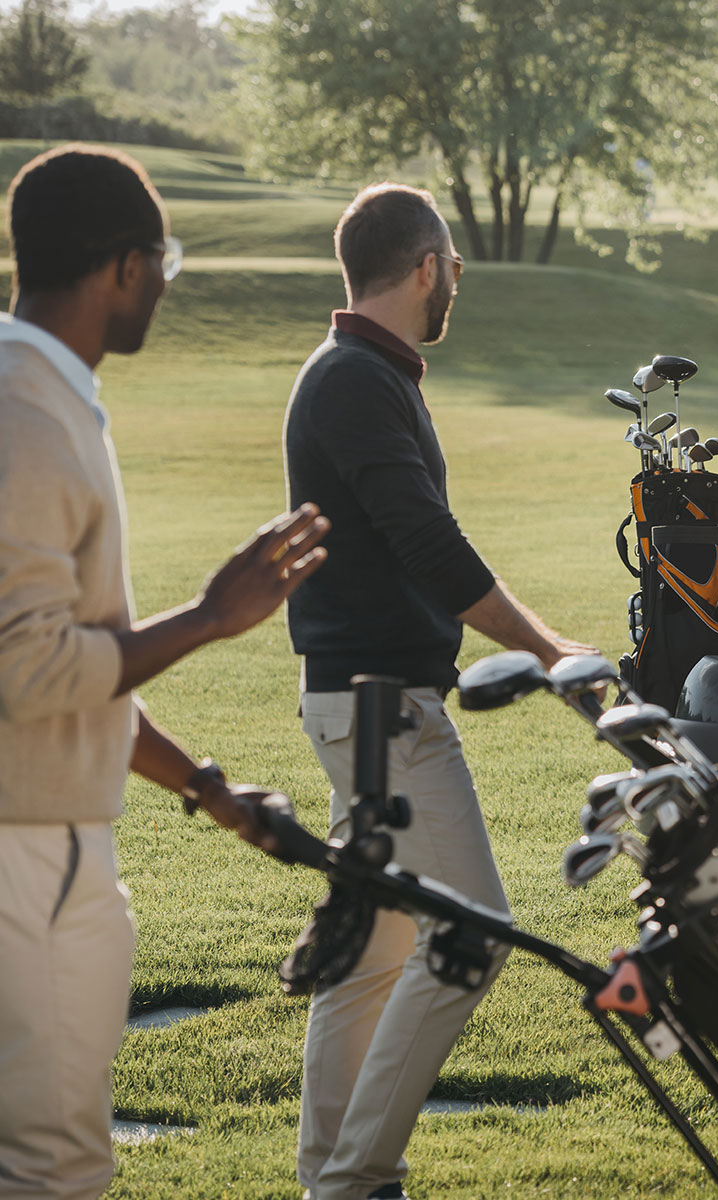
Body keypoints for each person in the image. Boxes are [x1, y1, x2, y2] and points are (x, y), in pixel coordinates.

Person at [0, 144, 329, 1200]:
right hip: (27, 852)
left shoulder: (42, 397)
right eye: (165, 263)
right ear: (126, 268)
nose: (165, 288)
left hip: (50, 842)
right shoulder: (26, 417)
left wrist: (204, 790)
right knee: (56, 1168)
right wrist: (210, 618)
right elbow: (31, 672)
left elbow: (71, 669)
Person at [282, 182, 596, 1200]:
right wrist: (551, 650)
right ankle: (360, 1175)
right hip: (382, 710)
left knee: (374, 956)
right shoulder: (355, 382)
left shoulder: (367, 373)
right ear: (425, 266)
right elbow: (426, 543)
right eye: (452, 264)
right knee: (469, 934)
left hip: (366, 705)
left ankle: (336, 1179)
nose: (454, 278)